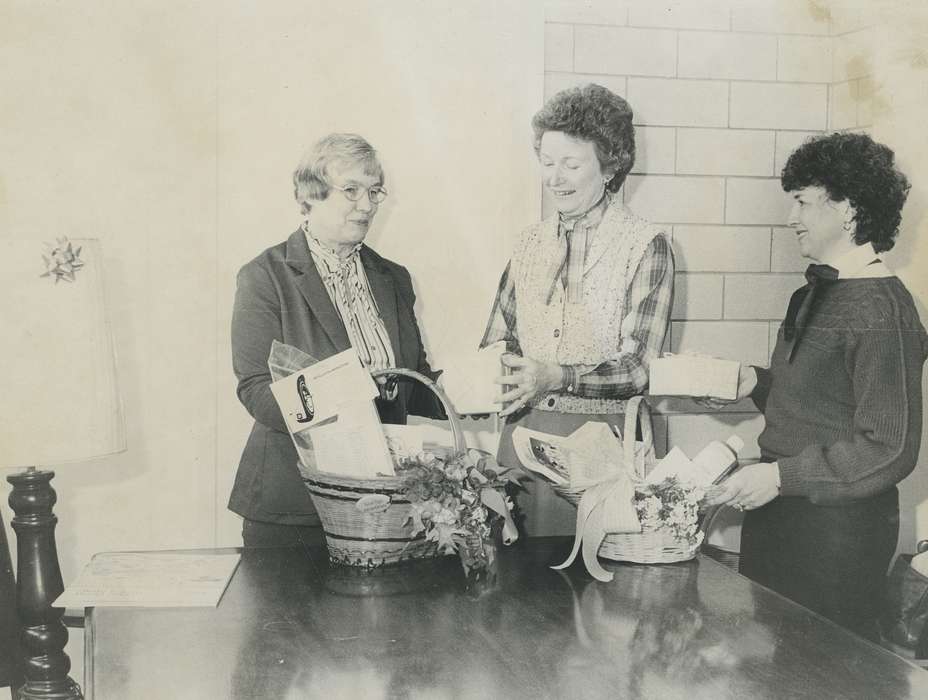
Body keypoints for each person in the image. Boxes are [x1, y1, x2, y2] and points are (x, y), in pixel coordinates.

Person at [704, 132, 928, 640]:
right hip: (779, 515)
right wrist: (752, 383)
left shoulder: (882, 308)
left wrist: (782, 478)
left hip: (837, 536)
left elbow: (889, 448)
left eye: (802, 201)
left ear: (847, 208)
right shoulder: (813, 292)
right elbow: (818, 401)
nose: (791, 217)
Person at [229, 133, 444, 547]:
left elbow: (412, 385)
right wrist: (352, 389)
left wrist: (473, 390)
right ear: (309, 196)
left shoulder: (393, 277)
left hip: (381, 506)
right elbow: (257, 391)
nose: (367, 205)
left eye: (374, 191)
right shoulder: (265, 277)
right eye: (351, 190)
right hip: (294, 507)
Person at [481, 84, 674, 535]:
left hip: (601, 449)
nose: (554, 178)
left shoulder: (645, 245)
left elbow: (639, 369)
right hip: (521, 446)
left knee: (591, 595)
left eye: (571, 164)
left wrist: (558, 375)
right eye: (547, 163)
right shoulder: (528, 244)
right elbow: (498, 340)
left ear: (610, 166)